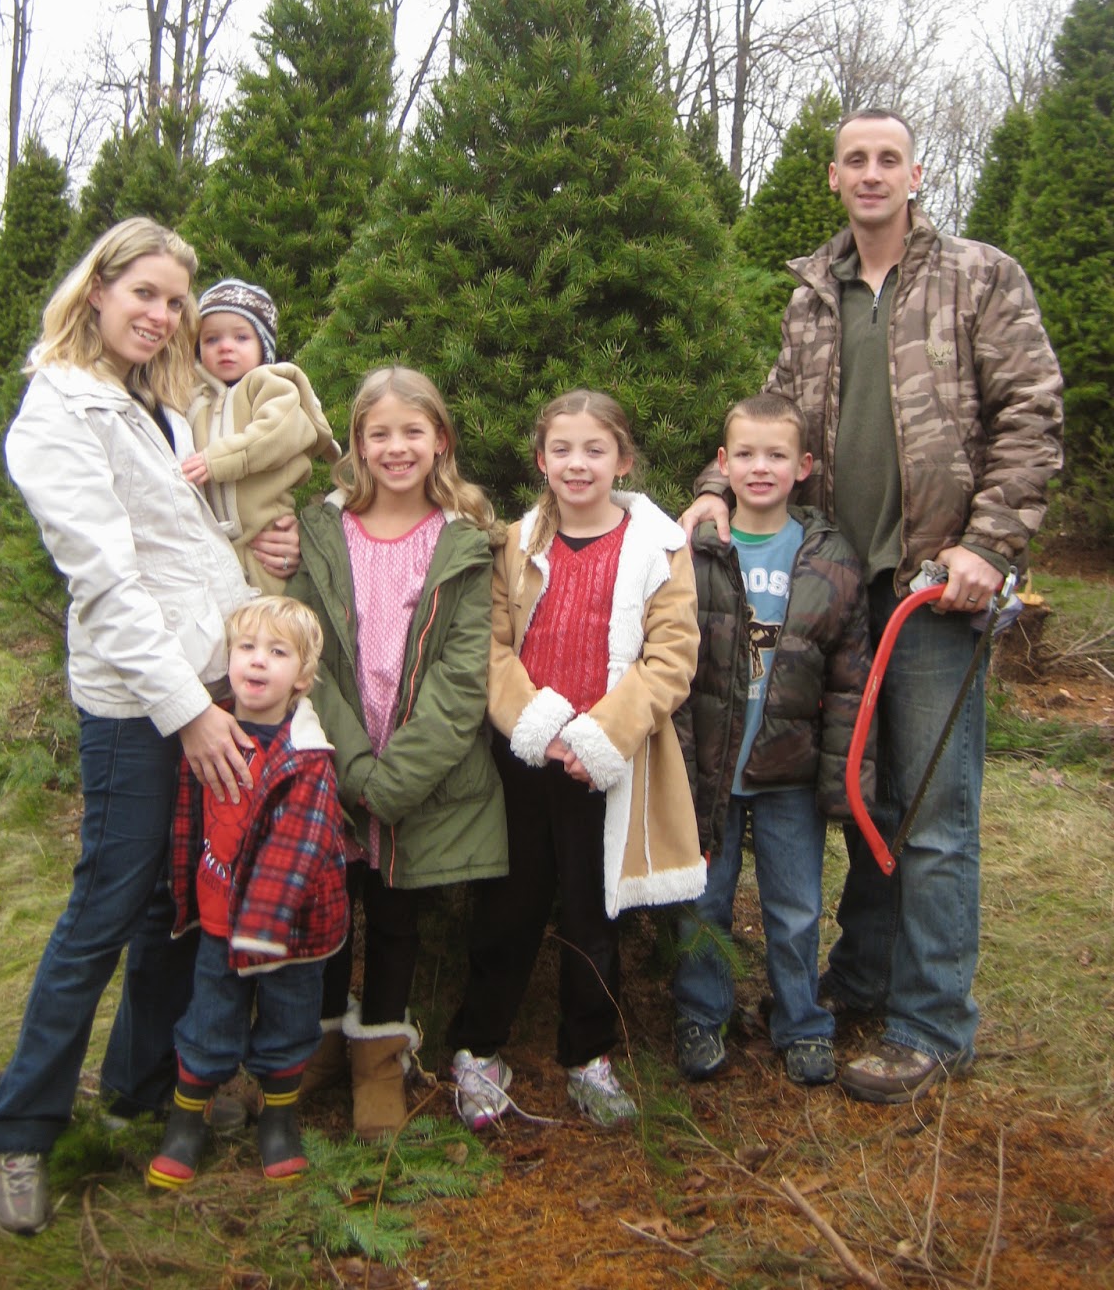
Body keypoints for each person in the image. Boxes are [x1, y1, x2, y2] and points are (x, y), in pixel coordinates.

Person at [681, 110, 1064, 1103]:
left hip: (937, 585)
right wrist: (716, 488)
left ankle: (932, 1022)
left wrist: (986, 544)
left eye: (888, 157)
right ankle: (859, 975)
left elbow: (1031, 411)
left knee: (934, 809)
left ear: (915, 172)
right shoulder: (813, 295)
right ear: (835, 175)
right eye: (855, 158)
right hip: (835, 589)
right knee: (865, 797)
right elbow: (770, 417)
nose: (871, 172)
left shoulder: (980, 276)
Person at [0, 218, 299, 1235]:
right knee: (107, 906)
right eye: (145, 294)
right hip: (141, 702)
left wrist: (261, 543)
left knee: (184, 899)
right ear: (97, 289)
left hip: (209, 679)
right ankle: (22, 1134)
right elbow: (109, 585)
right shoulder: (56, 412)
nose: (160, 315)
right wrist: (191, 715)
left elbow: (182, 540)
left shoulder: (153, 407)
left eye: (175, 302)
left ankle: (138, 1087)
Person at [447, 390, 705, 1131]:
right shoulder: (516, 543)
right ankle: (478, 1046)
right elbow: (491, 647)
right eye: (562, 449)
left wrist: (599, 737)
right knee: (510, 905)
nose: (577, 463)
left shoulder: (659, 549)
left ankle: (588, 1055)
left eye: (595, 449)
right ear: (540, 460)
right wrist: (540, 726)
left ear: (623, 460)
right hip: (527, 754)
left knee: (595, 915)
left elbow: (671, 658)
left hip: (609, 761)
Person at [287, 366, 507, 1141]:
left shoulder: (465, 543)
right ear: (356, 444)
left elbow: (462, 676)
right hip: (337, 758)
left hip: (420, 772)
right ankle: (315, 1040)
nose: (396, 447)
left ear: (440, 440)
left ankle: (379, 1054)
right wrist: (353, 767)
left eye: (412, 431)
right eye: (378, 433)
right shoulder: (320, 532)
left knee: (398, 907)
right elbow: (302, 654)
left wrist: (396, 779)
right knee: (329, 904)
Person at [673, 392, 873, 1088]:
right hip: (711, 767)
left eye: (778, 455)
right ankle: (701, 1016)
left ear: (805, 466)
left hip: (789, 770)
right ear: (723, 464)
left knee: (794, 908)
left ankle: (802, 1022)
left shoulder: (830, 558)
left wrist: (845, 777)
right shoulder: (695, 547)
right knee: (705, 904)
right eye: (747, 455)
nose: (761, 468)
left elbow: (851, 679)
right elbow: (666, 659)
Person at [147, 596, 348, 1189]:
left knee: (289, 1021)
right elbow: (186, 819)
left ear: (303, 677)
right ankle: (186, 1123)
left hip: (291, 933)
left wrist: (262, 923)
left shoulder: (307, 756)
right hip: (218, 921)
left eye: (278, 653)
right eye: (247, 648)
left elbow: (299, 846)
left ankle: (278, 1121)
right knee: (209, 1018)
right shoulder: (208, 731)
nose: (258, 662)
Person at [182, 278, 341, 595]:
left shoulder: (269, 384)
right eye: (212, 339)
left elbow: (277, 433)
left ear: (263, 345)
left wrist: (220, 460)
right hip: (210, 551)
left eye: (241, 336)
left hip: (265, 541)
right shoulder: (193, 400)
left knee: (270, 628)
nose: (225, 346)